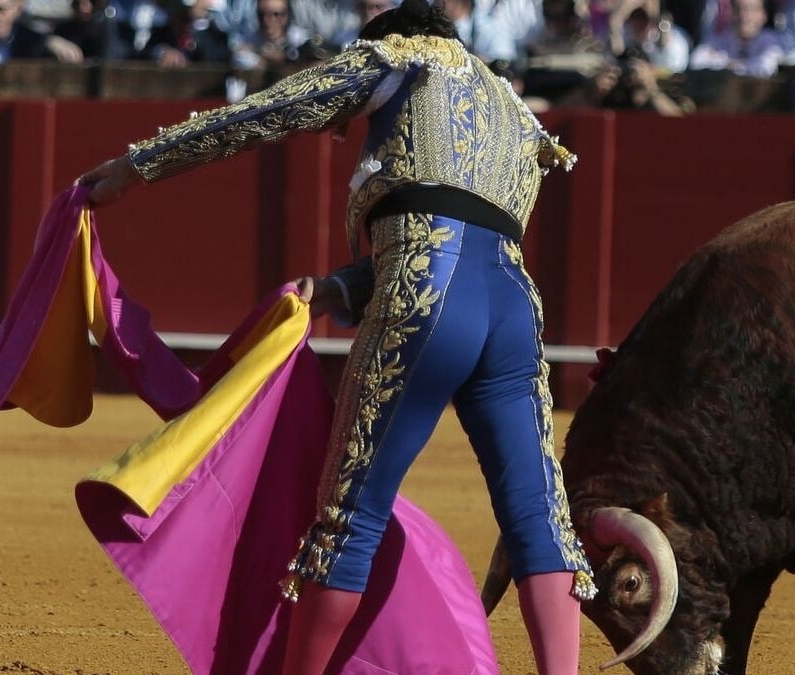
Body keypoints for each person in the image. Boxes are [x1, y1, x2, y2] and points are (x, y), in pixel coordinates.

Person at [75, 1, 595, 673]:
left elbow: (264, 112)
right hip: (516, 310)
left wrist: (134, 165)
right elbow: (464, 220)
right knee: (536, 513)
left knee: (349, 512)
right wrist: (338, 289)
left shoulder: (397, 57)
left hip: (425, 291)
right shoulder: (514, 111)